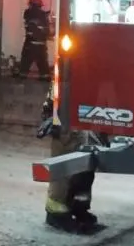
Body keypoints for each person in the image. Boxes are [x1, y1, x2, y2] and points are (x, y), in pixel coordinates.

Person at [37, 92, 99, 233]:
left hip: (84, 111)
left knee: (86, 159)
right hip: (66, 115)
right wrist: (51, 114)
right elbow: (58, 87)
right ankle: (56, 212)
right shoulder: (67, 73)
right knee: (66, 156)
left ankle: (79, 205)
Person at [13, 0, 51, 81]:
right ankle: (45, 79)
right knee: (43, 65)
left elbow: (28, 27)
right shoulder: (44, 15)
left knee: (25, 63)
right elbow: (47, 32)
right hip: (41, 45)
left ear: (31, 4)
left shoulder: (28, 13)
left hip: (30, 44)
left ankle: (21, 79)